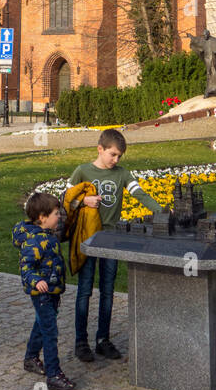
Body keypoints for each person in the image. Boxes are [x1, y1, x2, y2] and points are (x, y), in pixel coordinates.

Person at [67, 127, 164, 363]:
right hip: (88, 238)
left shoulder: (122, 174)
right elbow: (65, 201)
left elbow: (139, 193)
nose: (116, 159)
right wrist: (82, 201)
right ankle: (81, 342)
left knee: (108, 291)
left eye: (119, 156)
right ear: (100, 149)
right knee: (85, 289)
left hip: (112, 239)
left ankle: (103, 340)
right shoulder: (82, 171)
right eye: (112, 154)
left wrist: (162, 211)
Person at [12, 191, 75, 390]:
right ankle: (54, 374)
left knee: (41, 324)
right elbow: (26, 267)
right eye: (56, 213)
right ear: (42, 217)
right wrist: (36, 280)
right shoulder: (33, 241)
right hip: (42, 293)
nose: (59, 217)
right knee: (50, 332)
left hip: (52, 289)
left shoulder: (46, 235)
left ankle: (30, 358)